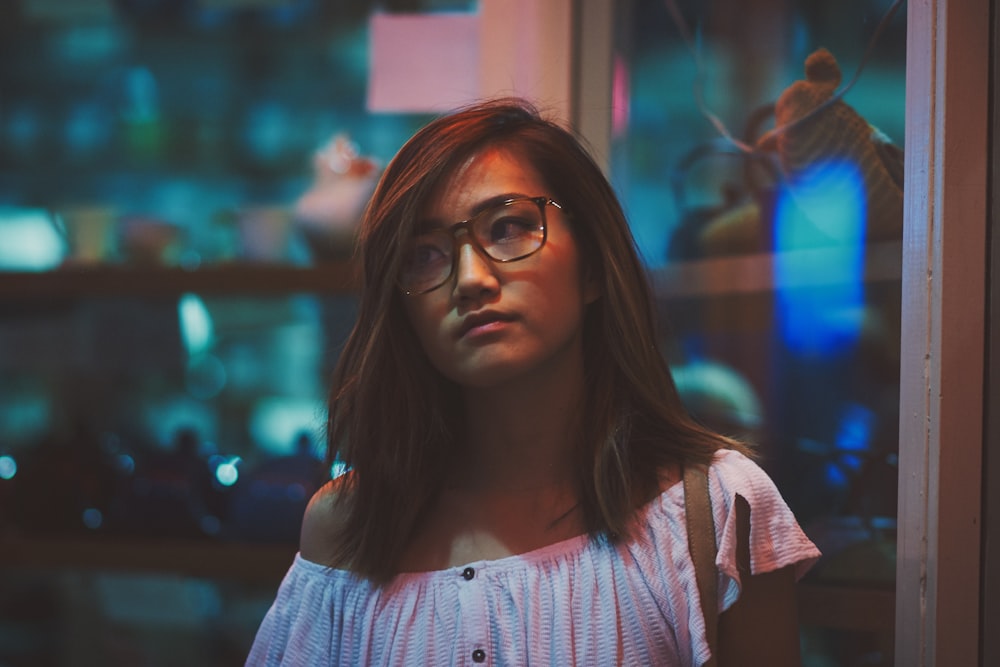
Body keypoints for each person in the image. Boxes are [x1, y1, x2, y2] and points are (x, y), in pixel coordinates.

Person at [247, 98, 820, 666]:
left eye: (510, 226)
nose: (470, 279)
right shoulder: (350, 527)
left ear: (593, 265)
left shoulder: (713, 512)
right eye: (424, 255)